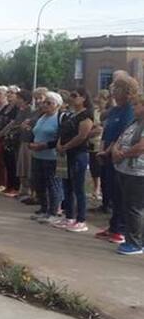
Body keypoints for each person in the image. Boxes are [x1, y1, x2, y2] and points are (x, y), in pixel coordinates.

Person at [95, 72, 139, 245]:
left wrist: (109, 151)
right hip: (106, 154)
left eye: (117, 88)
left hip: (117, 156)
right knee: (111, 191)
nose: (113, 91)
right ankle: (113, 226)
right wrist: (102, 149)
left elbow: (122, 134)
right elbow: (106, 131)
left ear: (127, 92)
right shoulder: (114, 109)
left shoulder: (129, 110)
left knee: (121, 194)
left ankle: (120, 229)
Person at [54, 88, 94, 232]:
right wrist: (59, 143)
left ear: (83, 98)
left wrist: (66, 146)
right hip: (66, 154)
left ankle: (81, 219)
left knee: (78, 187)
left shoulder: (86, 115)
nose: (72, 98)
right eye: (71, 95)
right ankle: (69, 216)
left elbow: (82, 136)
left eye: (75, 96)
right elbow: (63, 131)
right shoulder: (70, 114)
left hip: (78, 154)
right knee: (67, 186)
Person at [110, 94, 144, 255]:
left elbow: (140, 147)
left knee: (134, 208)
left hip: (138, 172)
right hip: (125, 170)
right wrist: (115, 150)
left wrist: (122, 154)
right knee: (128, 206)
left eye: (136, 105)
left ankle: (135, 243)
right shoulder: (134, 122)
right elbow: (120, 139)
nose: (133, 108)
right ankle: (134, 239)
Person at [29, 92, 63, 225]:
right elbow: (36, 132)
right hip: (37, 156)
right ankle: (44, 208)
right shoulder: (42, 117)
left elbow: (60, 138)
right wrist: (33, 143)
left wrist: (44, 145)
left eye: (50, 103)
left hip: (52, 157)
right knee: (39, 183)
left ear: (57, 105)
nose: (46, 105)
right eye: (45, 102)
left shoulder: (59, 118)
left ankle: (54, 211)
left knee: (53, 185)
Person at [0, 86, 21, 196]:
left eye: (12, 93)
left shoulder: (17, 109)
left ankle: (14, 187)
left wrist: (0, 133)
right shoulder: (6, 107)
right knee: (3, 161)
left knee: (12, 163)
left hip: (11, 139)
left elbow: (12, 124)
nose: (9, 94)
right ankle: (7, 185)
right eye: (8, 92)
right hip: (1, 137)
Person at [89, 90, 112, 210]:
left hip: (101, 143)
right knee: (94, 168)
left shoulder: (109, 113)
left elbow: (100, 128)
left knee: (101, 170)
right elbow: (93, 125)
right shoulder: (95, 112)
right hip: (92, 143)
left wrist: (94, 129)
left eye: (102, 99)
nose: (99, 101)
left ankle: (102, 194)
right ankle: (96, 188)